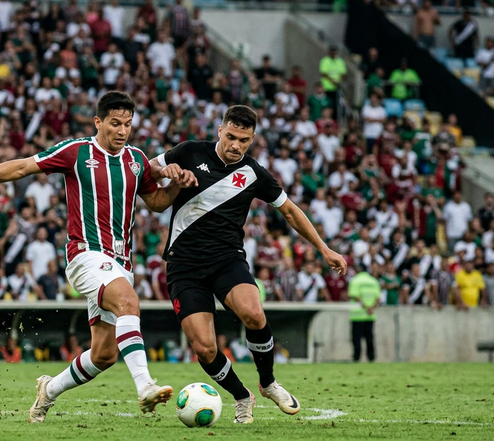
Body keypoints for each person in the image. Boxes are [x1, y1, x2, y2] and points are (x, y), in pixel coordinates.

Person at [0, 92, 197, 421]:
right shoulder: (77, 152)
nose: (122, 131)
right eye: (115, 123)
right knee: (128, 302)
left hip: (120, 264)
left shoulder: (136, 160)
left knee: (104, 355)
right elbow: (21, 167)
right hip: (85, 255)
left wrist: (178, 183)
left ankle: (48, 390)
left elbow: (158, 203)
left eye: (128, 125)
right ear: (98, 122)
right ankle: (145, 385)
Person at [148, 105, 347, 423]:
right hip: (184, 266)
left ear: (252, 139)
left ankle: (268, 383)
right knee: (205, 348)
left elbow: (291, 211)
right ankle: (242, 396)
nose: (235, 145)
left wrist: (323, 249)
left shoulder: (255, 174)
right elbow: (146, 170)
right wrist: (166, 174)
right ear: (220, 130)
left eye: (244, 140)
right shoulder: (187, 152)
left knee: (254, 314)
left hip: (226, 259)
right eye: (231, 136)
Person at [348, 270, 381, 362]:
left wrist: (366, 307)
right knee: (369, 337)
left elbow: (355, 296)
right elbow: (378, 298)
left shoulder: (355, 281)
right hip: (370, 315)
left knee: (356, 338)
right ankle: (371, 357)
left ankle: (356, 357)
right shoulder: (374, 281)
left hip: (357, 315)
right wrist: (371, 308)